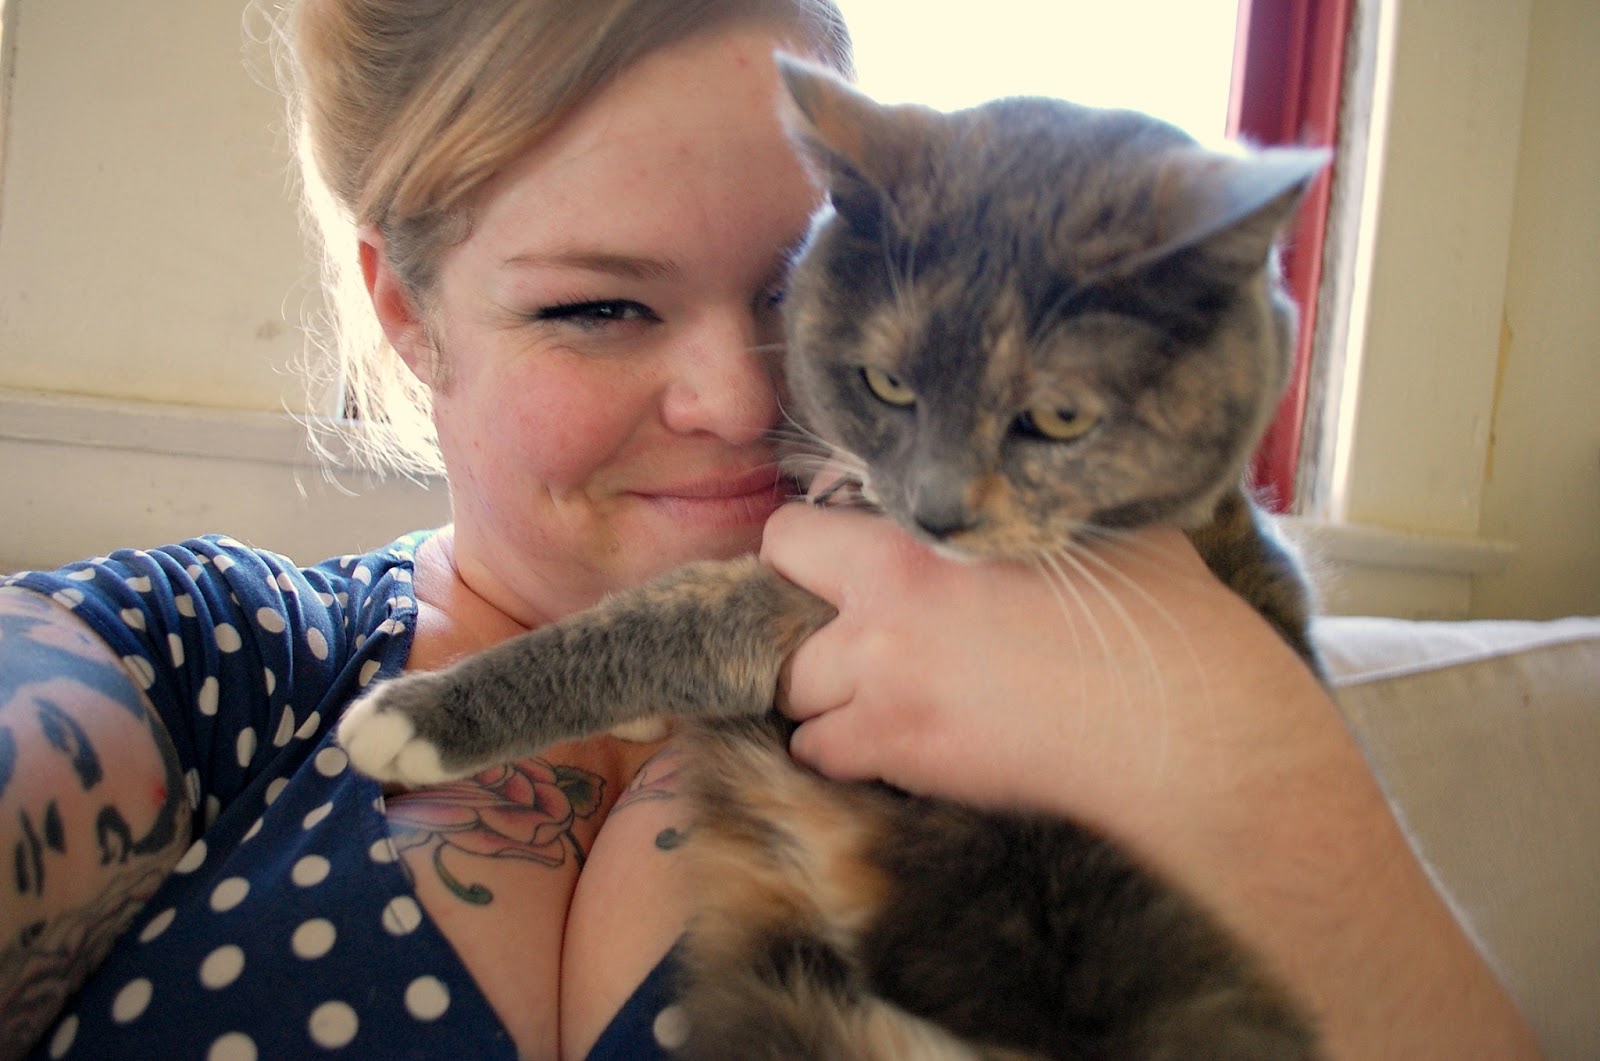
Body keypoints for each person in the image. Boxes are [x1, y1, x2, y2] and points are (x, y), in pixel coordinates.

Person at [0, 1, 1540, 1058]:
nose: (742, 402)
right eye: (599, 307)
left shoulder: (1106, 657)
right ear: (407, 310)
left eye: (793, 289)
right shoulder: (207, 657)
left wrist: (1262, 776)